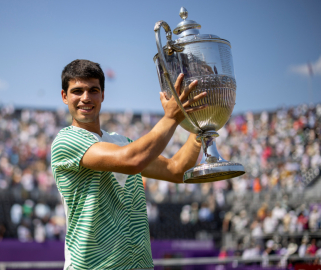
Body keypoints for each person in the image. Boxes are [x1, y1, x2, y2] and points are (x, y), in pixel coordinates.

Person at [51, 59, 207, 270]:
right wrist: (172, 117)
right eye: (77, 91)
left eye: (93, 90)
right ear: (64, 96)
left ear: (103, 95)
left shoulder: (121, 142)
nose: (85, 98)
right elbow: (132, 160)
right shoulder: (66, 141)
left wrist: (200, 127)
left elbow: (177, 170)